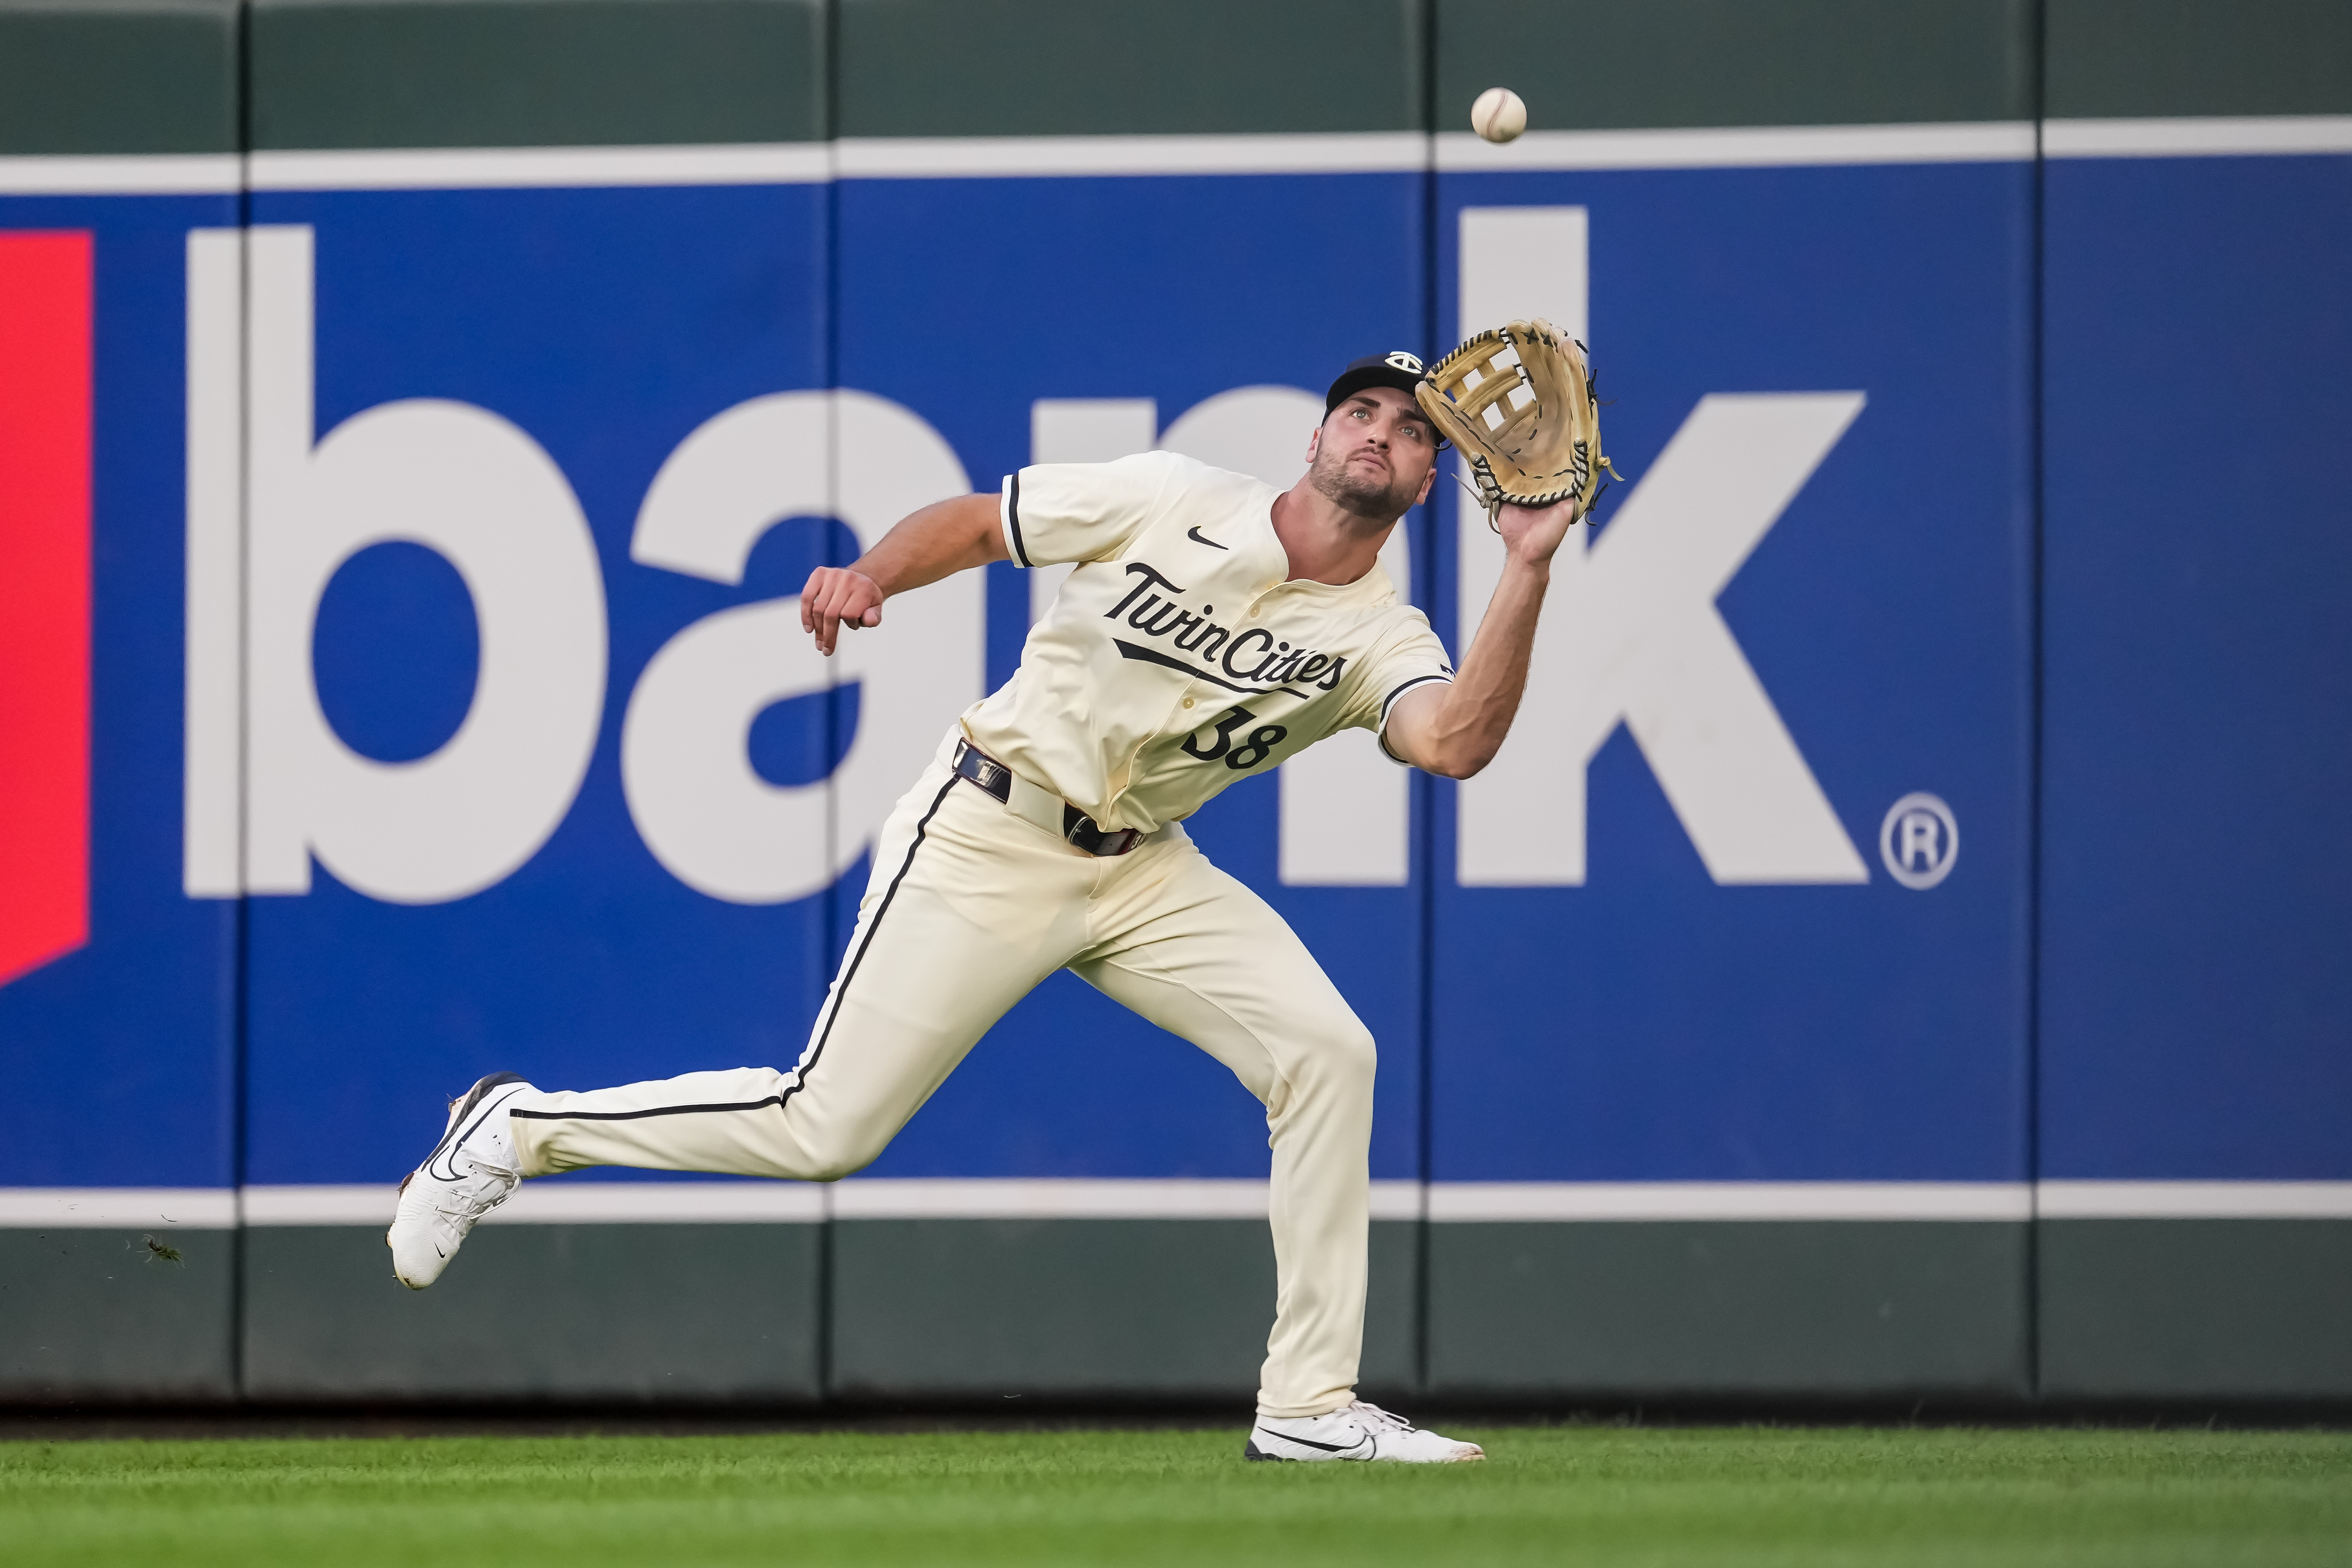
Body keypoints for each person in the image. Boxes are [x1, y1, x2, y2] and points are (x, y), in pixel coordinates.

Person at [388, 350, 1582, 1463]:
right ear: (1318, 431)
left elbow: (1454, 741)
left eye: (1412, 430)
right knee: (824, 1128)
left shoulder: (1381, 632)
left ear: (1436, 479)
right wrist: (869, 573)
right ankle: (516, 1130)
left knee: (1328, 1051)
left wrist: (1526, 567)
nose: (1377, 433)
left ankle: (1309, 1403)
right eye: (1360, 410)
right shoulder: (1172, 495)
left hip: (1142, 867)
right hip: (990, 827)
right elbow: (971, 524)